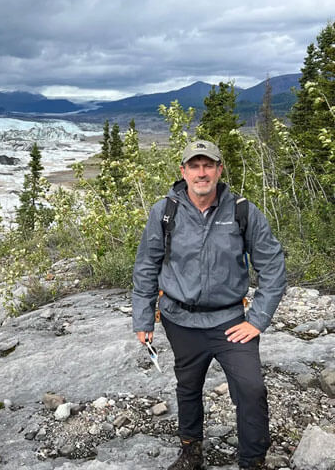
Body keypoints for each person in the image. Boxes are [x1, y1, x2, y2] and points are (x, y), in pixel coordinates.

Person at [132, 140, 286, 470]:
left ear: (219, 169)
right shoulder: (165, 212)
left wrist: (257, 320)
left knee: (251, 389)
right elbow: (147, 265)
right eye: (195, 166)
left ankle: (252, 461)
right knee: (188, 386)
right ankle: (191, 452)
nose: (202, 173)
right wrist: (143, 319)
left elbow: (272, 266)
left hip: (231, 322)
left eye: (208, 165)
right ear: (183, 171)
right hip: (180, 320)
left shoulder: (243, 211)